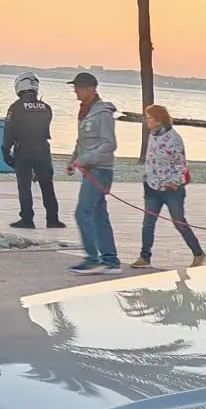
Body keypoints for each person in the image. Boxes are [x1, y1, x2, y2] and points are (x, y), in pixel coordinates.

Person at [131, 104, 206, 270]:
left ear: (158, 120)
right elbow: (151, 158)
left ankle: (198, 253)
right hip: (152, 187)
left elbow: (181, 164)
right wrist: (147, 175)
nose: (146, 121)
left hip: (171, 190)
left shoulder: (174, 138)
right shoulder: (152, 134)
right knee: (148, 223)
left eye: (149, 118)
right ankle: (145, 257)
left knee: (179, 222)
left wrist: (175, 182)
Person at [65, 71, 121, 275]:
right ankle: (111, 261)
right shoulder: (85, 112)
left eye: (78, 88)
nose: (75, 92)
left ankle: (93, 259)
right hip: (90, 169)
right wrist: (73, 160)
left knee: (83, 213)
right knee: (99, 215)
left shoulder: (103, 113)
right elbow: (83, 142)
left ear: (91, 89)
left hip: (100, 171)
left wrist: (85, 160)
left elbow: (109, 144)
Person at [2, 72, 63, 229]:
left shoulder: (16, 107)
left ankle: (27, 219)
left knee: (25, 186)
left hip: (24, 149)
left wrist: (5, 151)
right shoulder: (46, 108)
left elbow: (9, 130)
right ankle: (53, 219)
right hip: (43, 149)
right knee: (47, 185)